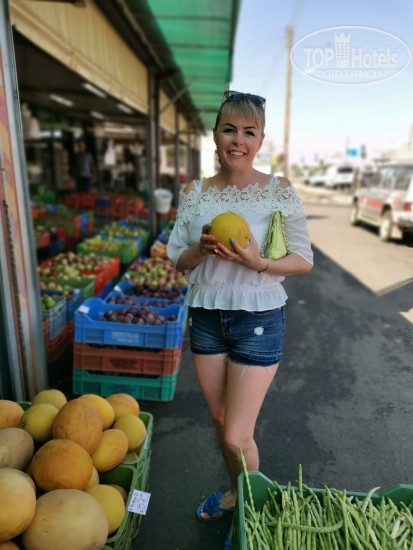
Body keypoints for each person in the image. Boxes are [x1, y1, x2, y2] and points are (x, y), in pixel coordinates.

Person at [166, 90, 313, 548]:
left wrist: (258, 263)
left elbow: (303, 259)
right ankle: (236, 493)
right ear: (215, 135)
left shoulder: (278, 191)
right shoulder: (194, 193)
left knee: (235, 434)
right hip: (207, 317)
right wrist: (200, 249)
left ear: (260, 140)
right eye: (230, 129)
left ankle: (253, 513)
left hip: (259, 319)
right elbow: (179, 261)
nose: (238, 140)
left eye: (249, 132)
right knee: (219, 419)